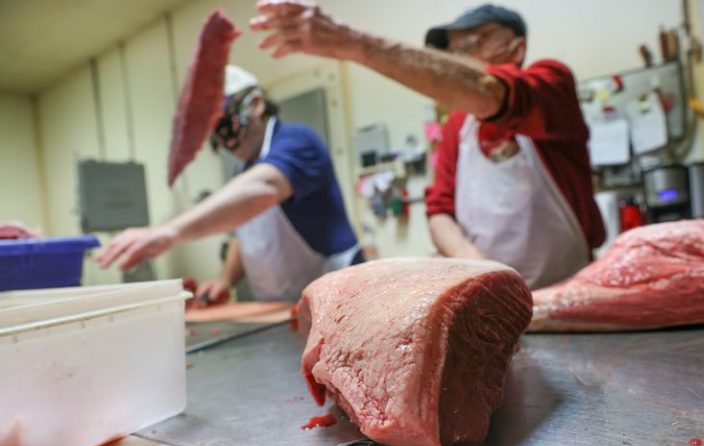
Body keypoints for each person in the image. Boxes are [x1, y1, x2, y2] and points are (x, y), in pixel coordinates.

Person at [250, 2, 605, 289]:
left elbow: (490, 93)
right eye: (454, 49)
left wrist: (352, 43)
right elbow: (439, 210)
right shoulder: (458, 127)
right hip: (491, 297)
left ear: (517, 48)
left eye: (475, 40)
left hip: (569, 292)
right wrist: (485, 273)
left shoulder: (551, 83)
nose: (461, 55)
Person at [97, 66, 362, 301]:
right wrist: (225, 279)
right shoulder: (243, 169)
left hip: (338, 296)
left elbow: (263, 188)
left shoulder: (298, 141)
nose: (223, 138)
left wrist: (169, 232)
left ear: (256, 105)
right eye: (214, 130)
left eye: (225, 122)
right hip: (280, 306)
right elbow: (247, 236)